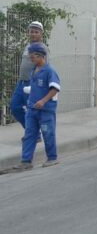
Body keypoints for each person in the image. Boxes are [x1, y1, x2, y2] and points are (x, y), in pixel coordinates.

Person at [14, 42, 60, 171]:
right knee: (29, 134)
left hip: (45, 110)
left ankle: (52, 157)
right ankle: (26, 161)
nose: (31, 59)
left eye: (33, 57)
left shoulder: (49, 71)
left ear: (40, 56)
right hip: (32, 109)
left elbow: (55, 89)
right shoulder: (34, 70)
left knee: (47, 133)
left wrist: (43, 101)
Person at [11, 21, 49, 132]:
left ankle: (34, 134)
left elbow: (46, 69)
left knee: (31, 111)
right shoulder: (28, 46)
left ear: (41, 34)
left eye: (36, 32)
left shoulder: (42, 49)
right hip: (21, 83)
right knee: (15, 107)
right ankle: (31, 131)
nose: (33, 34)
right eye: (31, 31)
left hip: (32, 84)